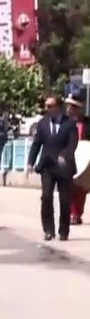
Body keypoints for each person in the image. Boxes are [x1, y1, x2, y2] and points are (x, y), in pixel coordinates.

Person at [27, 94, 79, 241]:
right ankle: (48, 230)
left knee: (64, 200)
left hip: (64, 167)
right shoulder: (43, 123)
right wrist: (31, 162)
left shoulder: (69, 123)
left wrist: (65, 155)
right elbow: (37, 144)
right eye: (46, 106)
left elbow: (72, 144)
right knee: (46, 197)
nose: (47, 109)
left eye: (50, 106)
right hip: (47, 166)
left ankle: (64, 231)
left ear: (58, 107)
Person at [69, 96, 87, 225]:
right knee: (69, 186)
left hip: (84, 158)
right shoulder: (64, 122)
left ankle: (77, 214)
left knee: (81, 189)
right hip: (69, 156)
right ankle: (72, 213)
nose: (69, 109)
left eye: (72, 106)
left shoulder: (86, 124)